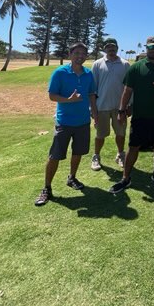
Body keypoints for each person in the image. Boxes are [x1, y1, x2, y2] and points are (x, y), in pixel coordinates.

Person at [109, 36, 154, 194]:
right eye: (150, 47)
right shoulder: (136, 67)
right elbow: (127, 91)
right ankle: (125, 178)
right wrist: (121, 110)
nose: (153, 50)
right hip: (140, 116)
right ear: (146, 48)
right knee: (133, 147)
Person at [34, 42, 97, 206]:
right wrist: (69, 100)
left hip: (83, 122)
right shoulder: (60, 72)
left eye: (83, 53)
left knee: (78, 152)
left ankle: (72, 178)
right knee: (55, 155)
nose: (80, 56)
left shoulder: (88, 74)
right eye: (77, 53)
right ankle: (47, 188)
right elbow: (52, 95)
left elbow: (91, 95)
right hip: (64, 122)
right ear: (70, 55)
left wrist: (95, 115)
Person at [90, 37, 129, 171]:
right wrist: (92, 108)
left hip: (120, 107)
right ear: (105, 49)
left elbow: (128, 86)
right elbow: (93, 88)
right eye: (108, 47)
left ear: (117, 48)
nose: (111, 49)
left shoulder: (125, 64)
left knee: (121, 133)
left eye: (113, 46)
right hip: (102, 106)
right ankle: (96, 156)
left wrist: (128, 105)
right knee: (100, 135)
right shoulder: (97, 64)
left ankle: (120, 154)